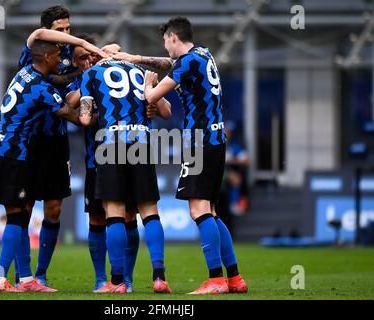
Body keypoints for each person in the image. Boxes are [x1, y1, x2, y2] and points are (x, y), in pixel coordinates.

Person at [143, 16, 248, 294]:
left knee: (198, 209)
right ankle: (235, 278)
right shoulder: (203, 54)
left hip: (198, 142)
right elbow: (171, 64)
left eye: (166, 40)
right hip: (215, 140)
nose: (165, 46)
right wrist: (135, 57)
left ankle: (215, 280)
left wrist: (147, 84)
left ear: (173, 38)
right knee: (211, 211)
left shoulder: (186, 62)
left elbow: (153, 97)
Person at [14, 5, 107, 289]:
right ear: (48, 30)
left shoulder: (70, 58)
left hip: (56, 140)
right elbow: (50, 78)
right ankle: (23, 275)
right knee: (24, 208)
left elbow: (74, 99)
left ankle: (40, 274)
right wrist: (79, 46)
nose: (66, 35)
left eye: (69, 29)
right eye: (60, 30)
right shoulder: (35, 50)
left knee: (53, 209)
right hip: (29, 140)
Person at [0, 40, 86, 293]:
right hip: (12, 154)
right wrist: (88, 98)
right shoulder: (41, 88)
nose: (59, 60)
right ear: (47, 57)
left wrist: (80, 74)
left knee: (17, 216)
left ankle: (26, 279)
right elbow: (73, 116)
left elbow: (60, 82)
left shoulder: (25, 73)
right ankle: (0, 278)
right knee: (17, 217)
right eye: (56, 56)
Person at [78, 52, 172, 294]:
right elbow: (166, 111)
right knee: (150, 211)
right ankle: (159, 277)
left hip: (110, 142)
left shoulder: (91, 74)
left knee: (115, 212)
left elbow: (85, 119)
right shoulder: (139, 72)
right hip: (141, 140)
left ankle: (117, 282)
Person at [65, 35, 142, 293]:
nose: (87, 61)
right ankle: (101, 279)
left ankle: (125, 279)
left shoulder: (112, 72)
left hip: (124, 154)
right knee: (97, 219)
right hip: (94, 160)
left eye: (89, 55)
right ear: (74, 62)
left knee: (129, 216)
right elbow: (70, 106)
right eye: (81, 58)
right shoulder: (81, 81)